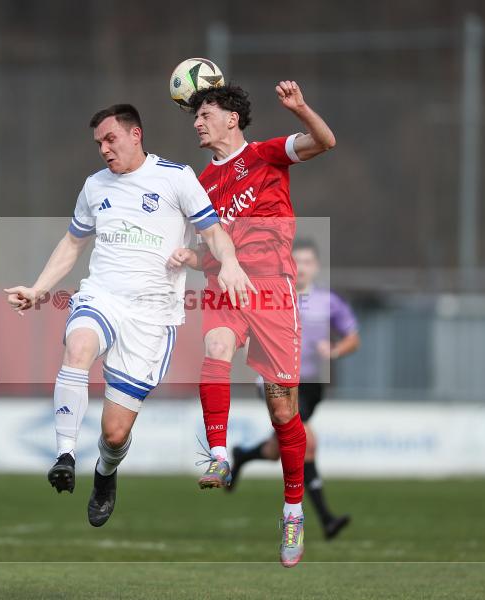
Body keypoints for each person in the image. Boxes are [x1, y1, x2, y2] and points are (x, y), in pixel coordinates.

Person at [4, 103, 252, 527]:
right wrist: (39, 289)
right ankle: (64, 455)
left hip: (153, 317)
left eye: (110, 139)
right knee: (78, 346)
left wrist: (228, 263)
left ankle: (105, 472)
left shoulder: (176, 178)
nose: (103, 149)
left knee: (115, 434)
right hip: (102, 296)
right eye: (98, 143)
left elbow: (214, 233)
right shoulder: (95, 186)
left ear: (136, 135)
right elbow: (72, 244)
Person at [168, 81, 336, 567]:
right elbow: (211, 249)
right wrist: (192, 256)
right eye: (195, 115)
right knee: (216, 346)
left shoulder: (266, 155)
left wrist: (302, 108)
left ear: (231, 119)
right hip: (227, 286)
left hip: (273, 291)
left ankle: (292, 510)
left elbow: (325, 142)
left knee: (283, 410)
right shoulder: (202, 183)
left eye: (205, 114)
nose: (197, 122)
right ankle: (219, 454)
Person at [229, 239, 360, 541]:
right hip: (274, 381)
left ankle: (244, 455)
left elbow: (354, 337)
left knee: (280, 450)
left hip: (311, 387)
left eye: (308, 262)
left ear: (316, 267)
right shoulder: (271, 296)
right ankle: (325, 519)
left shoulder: (328, 302)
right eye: (296, 261)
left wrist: (336, 349)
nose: (301, 268)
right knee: (307, 444)